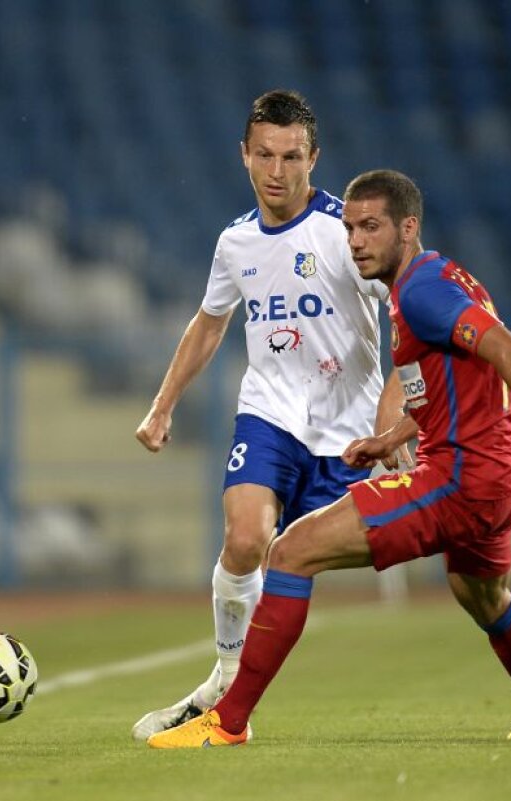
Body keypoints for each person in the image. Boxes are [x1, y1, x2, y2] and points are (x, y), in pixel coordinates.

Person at [146, 169, 511, 748]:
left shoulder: (421, 291)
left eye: (371, 227)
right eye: (349, 229)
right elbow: (452, 381)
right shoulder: (433, 279)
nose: (356, 242)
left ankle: (227, 722)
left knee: (290, 553)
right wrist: (393, 436)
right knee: (482, 595)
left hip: (461, 478)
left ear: (407, 228)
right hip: (500, 474)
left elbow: (510, 351)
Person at [131, 92, 403, 741]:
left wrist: (395, 420)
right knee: (248, 539)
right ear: (244, 156)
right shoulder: (236, 242)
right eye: (264, 155)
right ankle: (227, 681)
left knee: (305, 557)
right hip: (270, 415)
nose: (276, 171)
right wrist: (162, 405)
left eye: (291, 157)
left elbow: (410, 322)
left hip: (349, 434)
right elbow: (209, 322)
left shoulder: (348, 232)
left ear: (314, 158)